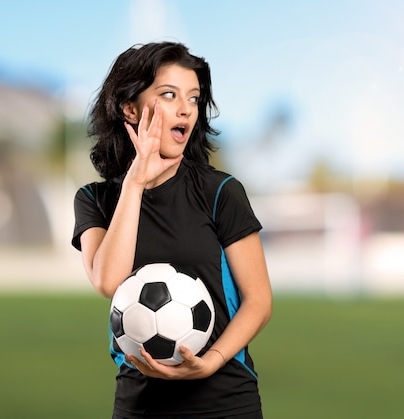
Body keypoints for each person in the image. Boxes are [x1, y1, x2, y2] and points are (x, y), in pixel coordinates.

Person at [72, 41, 272, 419]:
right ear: (129, 108)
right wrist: (134, 183)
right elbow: (108, 281)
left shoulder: (220, 192)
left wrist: (211, 360)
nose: (186, 109)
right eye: (169, 95)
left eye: (194, 98)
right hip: (139, 404)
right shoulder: (94, 200)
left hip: (226, 401)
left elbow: (259, 300)